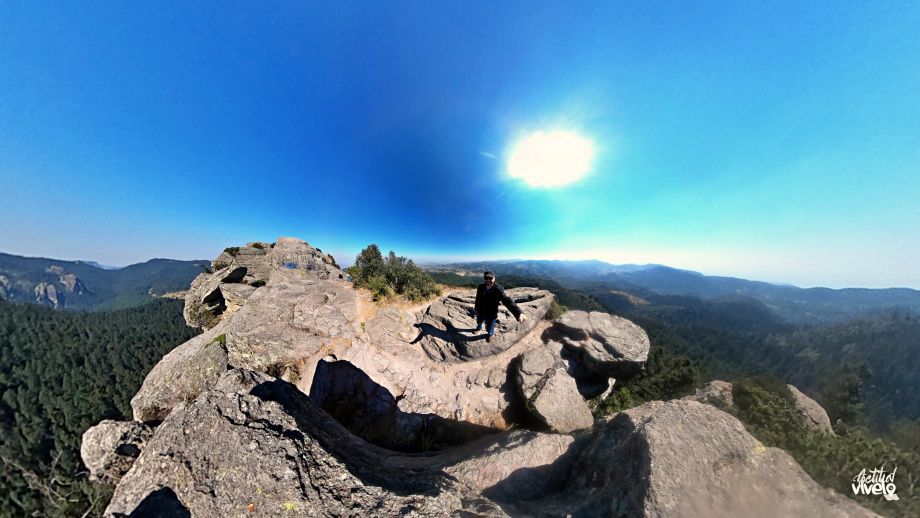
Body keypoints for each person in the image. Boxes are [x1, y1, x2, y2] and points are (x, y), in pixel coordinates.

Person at [474, 271, 526, 342]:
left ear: (494, 278)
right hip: (480, 309)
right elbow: (478, 298)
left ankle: (490, 334)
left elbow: (507, 300)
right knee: (479, 320)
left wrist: (518, 313)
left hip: (491, 311)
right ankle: (479, 328)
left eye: (490, 278)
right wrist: (476, 307)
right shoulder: (480, 287)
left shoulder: (498, 289)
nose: (488, 280)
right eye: (486, 278)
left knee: (490, 325)